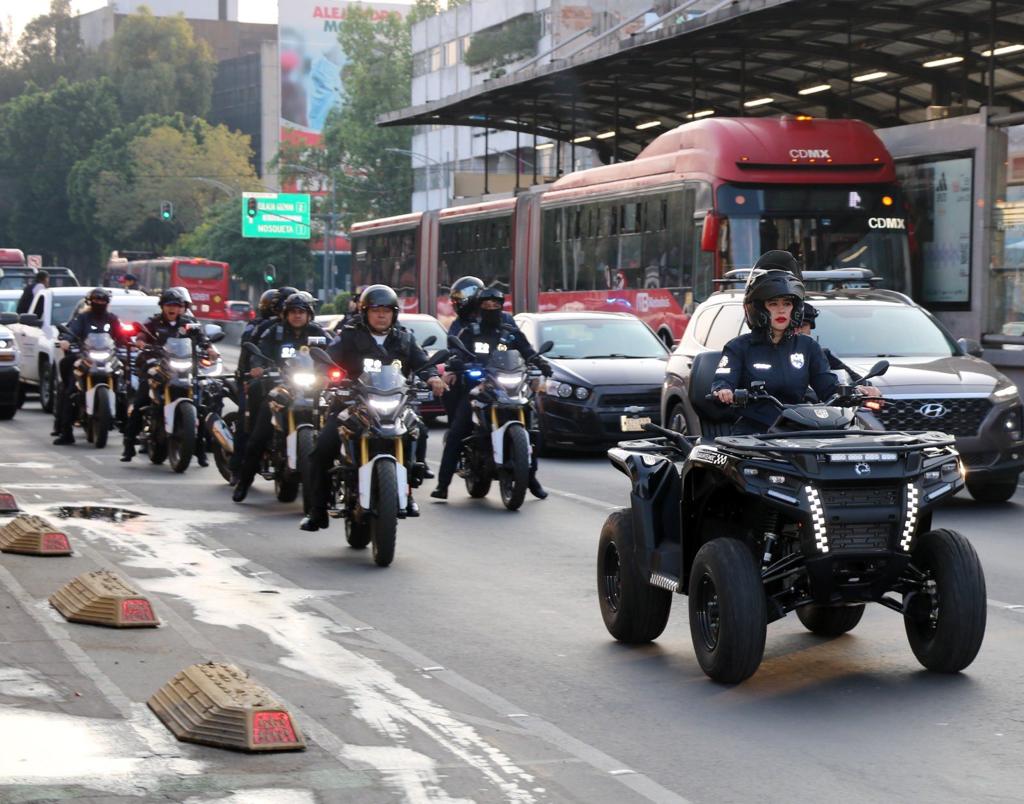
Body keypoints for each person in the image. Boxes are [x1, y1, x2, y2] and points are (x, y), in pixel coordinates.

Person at [299, 284, 445, 530]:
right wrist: (324, 375)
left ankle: (408, 488)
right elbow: (328, 359)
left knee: (418, 430)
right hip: (352, 403)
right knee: (322, 449)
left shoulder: (405, 337)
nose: (381, 315)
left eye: (387, 310)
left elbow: (422, 362)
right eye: (376, 310)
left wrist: (433, 377)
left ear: (394, 313)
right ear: (365, 312)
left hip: (394, 405)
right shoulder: (348, 335)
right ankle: (317, 510)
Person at [710, 266, 879, 435]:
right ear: (759, 308)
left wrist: (855, 392)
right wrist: (724, 391)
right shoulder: (738, 347)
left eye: (787, 303)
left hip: (798, 427)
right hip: (755, 430)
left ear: (795, 308)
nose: (781, 310)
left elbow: (828, 387)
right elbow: (723, 380)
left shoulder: (808, 346)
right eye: (773, 304)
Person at [431, 285, 552, 501]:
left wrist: (540, 363)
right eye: (486, 305)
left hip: (508, 386)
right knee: (459, 428)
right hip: (479, 386)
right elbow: (456, 350)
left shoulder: (509, 328)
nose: (491, 308)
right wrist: (456, 363)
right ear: (479, 306)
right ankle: (443, 484)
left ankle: (530, 478)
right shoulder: (470, 330)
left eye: (495, 304)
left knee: (534, 426)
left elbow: (526, 350)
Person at [232, 292, 329, 502]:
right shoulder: (274, 331)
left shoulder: (318, 332)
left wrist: (337, 371)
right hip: (281, 388)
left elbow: (333, 353)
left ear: (309, 315)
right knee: (258, 436)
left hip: (312, 389)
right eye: (293, 312)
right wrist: (258, 367)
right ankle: (243, 483)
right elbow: (260, 353)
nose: (297, 316)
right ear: (285, 314)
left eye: (301, 312)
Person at [121, 288, 216, 463]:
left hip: (184, 367)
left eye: (177, 305)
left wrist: (209, 349)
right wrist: (141, 342)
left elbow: (203, 339)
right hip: (157, 366)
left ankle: (201, 450)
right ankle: (128, 445)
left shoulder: (189, 323)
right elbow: (141, 335)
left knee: (202, 406)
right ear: (162, 306)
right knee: (141, 401)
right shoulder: (152, 323)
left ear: (182, 308)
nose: (172, 308)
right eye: (169, 305)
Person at [52, 289, 127, 445]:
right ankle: (66, 432)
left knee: (124, 386)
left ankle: (128, 430)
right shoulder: (83, 318)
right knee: (71, 388)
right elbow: (71, 332)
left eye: (103, 300)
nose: (99, 303)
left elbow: (122, 336)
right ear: (90, 301)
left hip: (108, 359)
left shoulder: (112, 319)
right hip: (85, 358)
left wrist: (130, 341)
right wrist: (65, 340)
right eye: (96, 300)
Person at [797, 302, 861, 381]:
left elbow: (858, 380)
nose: (798, 330)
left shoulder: (823, 355)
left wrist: (865, 387)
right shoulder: (778, 355)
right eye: (793, 325)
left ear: (811, 327)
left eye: (803, 325)